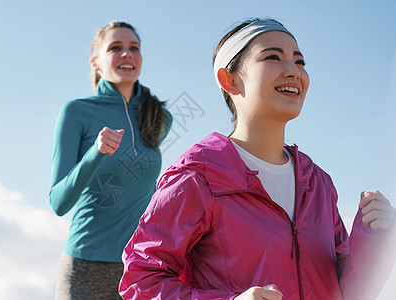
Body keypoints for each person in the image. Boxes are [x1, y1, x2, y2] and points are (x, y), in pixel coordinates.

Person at [119, 18, 396, 299]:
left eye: (300, 62)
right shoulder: (197, 177)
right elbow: (140, 282)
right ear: (230, 80)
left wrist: (375, 240)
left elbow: (347, 292)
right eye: (273, 57)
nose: (293, 71)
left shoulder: (318, 183)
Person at [49, 21, 172, 300]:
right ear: (95, 63)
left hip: (139, 267)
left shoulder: (159, 118)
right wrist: (96, 153)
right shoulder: (76, 112)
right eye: (115, 48)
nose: (126, 54)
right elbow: (58, 202)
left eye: (134, 48)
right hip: (85, 266)